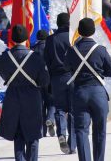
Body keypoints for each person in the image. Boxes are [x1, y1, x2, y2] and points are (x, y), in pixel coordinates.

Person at [64, 18, 111, 161]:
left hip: (80, 92)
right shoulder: (100, 49)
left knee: (81, 131)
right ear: (93, 31)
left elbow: (66, 68)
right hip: (98, 93)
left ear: (79, 31)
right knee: (100, 132)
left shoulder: (72, 50)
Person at [0, 25, 50, 161]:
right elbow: (44, 80)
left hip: (13, 96)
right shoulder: (36, 57)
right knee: (33, 136)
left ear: (12, 39)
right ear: (27, 38)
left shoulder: (4, 57)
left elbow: (3, 75)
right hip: (32, 97)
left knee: (18, 135)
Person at [43, 13, 76, 154]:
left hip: (56, 78)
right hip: (72, 77)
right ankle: (72, 144)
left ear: (57, 23)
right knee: (74, 110)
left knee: (60, 109)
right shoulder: (73, 38)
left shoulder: (50, 40)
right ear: (69, 23)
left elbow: (46, 61)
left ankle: (61, 133)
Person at [32, 29, 56, 137]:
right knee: (51, 103)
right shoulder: (51, 48)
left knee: (40, 106)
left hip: (37, 82)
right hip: (50, 80)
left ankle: (42, 131)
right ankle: (50, 118)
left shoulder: (33, 50)